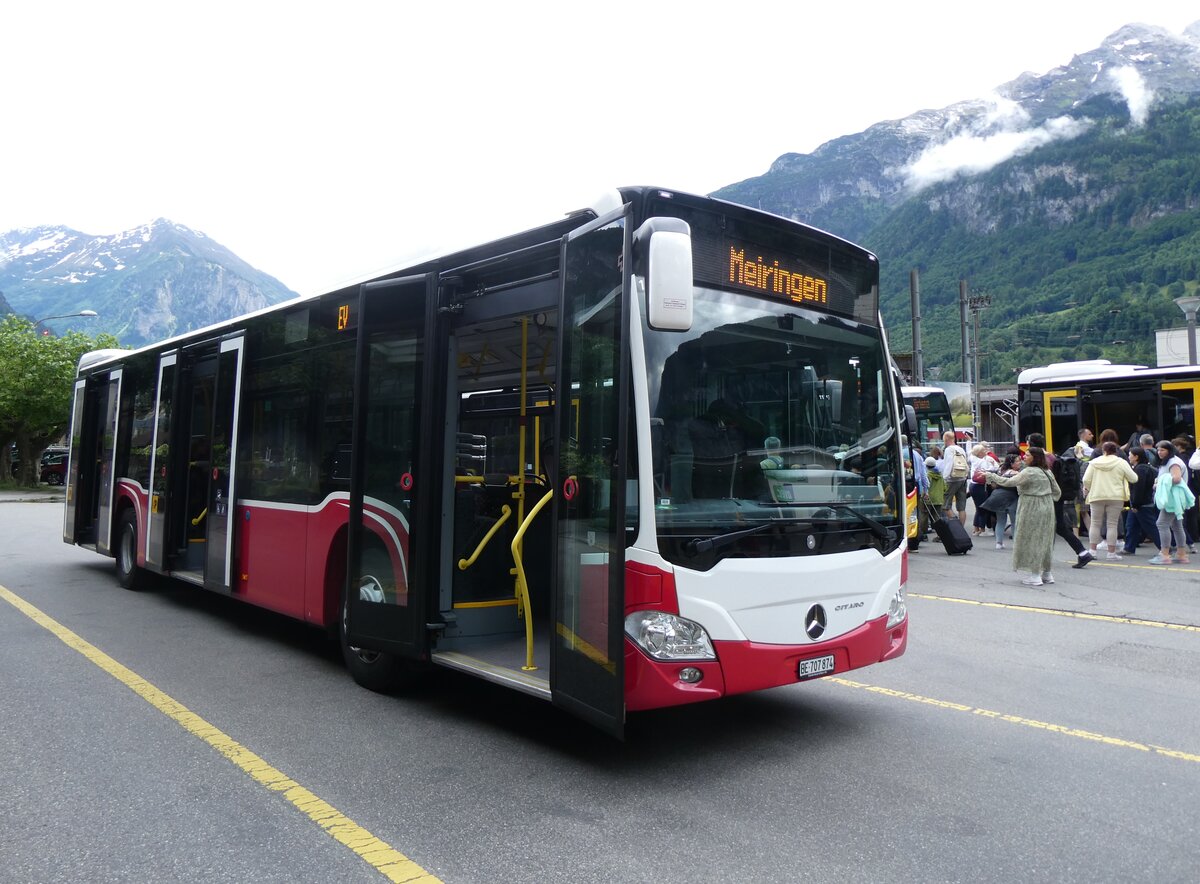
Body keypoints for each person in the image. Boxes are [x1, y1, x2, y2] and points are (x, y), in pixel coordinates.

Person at [986, 447, 1061, 586]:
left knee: (1031, 539)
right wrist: (1046, 498)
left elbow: (1009, 482)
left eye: (1027, 455)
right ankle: (1047, 573)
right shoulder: (1047, 471)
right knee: (1045, 539)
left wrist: (991, 476)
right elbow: (1057, 492)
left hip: (1030, 506)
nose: (1024, 457)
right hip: (1047, 507)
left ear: (1035, 457)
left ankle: (1035, 575)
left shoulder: (1028, 472)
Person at [1082, 440, 1137, 560]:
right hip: (1115, 496)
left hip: (1096, 495)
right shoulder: (1121, 462)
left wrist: (1091, 488)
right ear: (1116, 451)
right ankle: (1111, 553)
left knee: (1095, 524)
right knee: (1112, 524)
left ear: (1103, 451)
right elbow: (1133, 478)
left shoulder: (1094, 463)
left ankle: (1093, 551)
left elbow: (1086, 479)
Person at [1149, 440, 1193, 565]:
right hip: (1174, 497)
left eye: (1162, 450)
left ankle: (1164, 554)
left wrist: (1160, 483)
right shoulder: (1170, 461)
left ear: (1169, 450)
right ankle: (1181, 554)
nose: (1159, 452)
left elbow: (1177, 478)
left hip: (1172, 498)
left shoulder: (1173, 462)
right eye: (1158, 450)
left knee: (1162, 523)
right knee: (1177, 526)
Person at [980, 450, 1021, 550]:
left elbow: (993, 484)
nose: (1020, 462)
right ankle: (1016, 544)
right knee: (1015, 521)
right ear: (1012, 463)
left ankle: (999, 543)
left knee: (1001, 521)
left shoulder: (1000, 470)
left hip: (998, 498)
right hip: (1012, 499)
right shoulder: (1015, 473)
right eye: (1018, 461)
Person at [1121, 447, 1158, 556]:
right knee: (1131, 525)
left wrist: (1136, 503)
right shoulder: (1147, 467)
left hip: (1141, 504)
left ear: (1136, 457)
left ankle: (1165, 547)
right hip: (1141, 503)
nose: (1129, 457)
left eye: (1130, 455)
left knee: (1150, 527)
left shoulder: (1140, 469)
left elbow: (1138, 488)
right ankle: (1129, 547)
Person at [939, 430, 970, 526]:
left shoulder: (949, 449)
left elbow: (949, 464)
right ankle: (961, 529)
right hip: (962, 479)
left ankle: (956, 526)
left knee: (946, 505)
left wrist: (944, 478)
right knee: (961, 507)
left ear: (946, 439)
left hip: (952, 480)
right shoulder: (960, 449)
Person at [967, 443, 998, 536]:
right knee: (983, 507)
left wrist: (969, 442)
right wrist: (993, 465)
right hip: (980, 486)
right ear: (979, 453)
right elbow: (989, 470)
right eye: (983, 450)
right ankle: (982, 530)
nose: (986, 451)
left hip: (973, 485)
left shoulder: (973, 458)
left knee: (978, 507)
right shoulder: (982, 461)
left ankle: (976, 529)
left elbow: (969, 452)